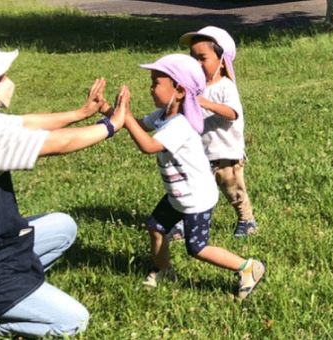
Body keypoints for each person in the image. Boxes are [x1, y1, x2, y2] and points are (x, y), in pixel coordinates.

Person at [0, 33, 127, 339]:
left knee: (63, 227)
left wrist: (81, 113)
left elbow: (26, 122)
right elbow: (59, 144)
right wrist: (111, 125)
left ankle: (6, 296)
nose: (6, 79)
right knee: (73, 320)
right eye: (1, 74)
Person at [100, 53, 265, 299]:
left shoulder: (181, 124)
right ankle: (163, 269)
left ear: (179, 90)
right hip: (178, 194)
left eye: (156, 83)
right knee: (155, 227)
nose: (151, 89)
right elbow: (139, 125)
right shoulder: (162, 116)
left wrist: (124, 115)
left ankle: (249, 267)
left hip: (196, 198)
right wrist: (107, 109)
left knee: (197, 247)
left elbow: (147, 145)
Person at [179, 26, 258, 237]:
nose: (196, 63)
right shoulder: (193, 88)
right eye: (193, 58)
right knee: (191, 189)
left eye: (202, 58)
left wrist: (205, 103)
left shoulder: (225, 87)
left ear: (222, 60)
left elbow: (232, 113)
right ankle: (183, 222)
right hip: (200, 152)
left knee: (233, 190)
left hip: (226, 153)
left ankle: (246, 219)